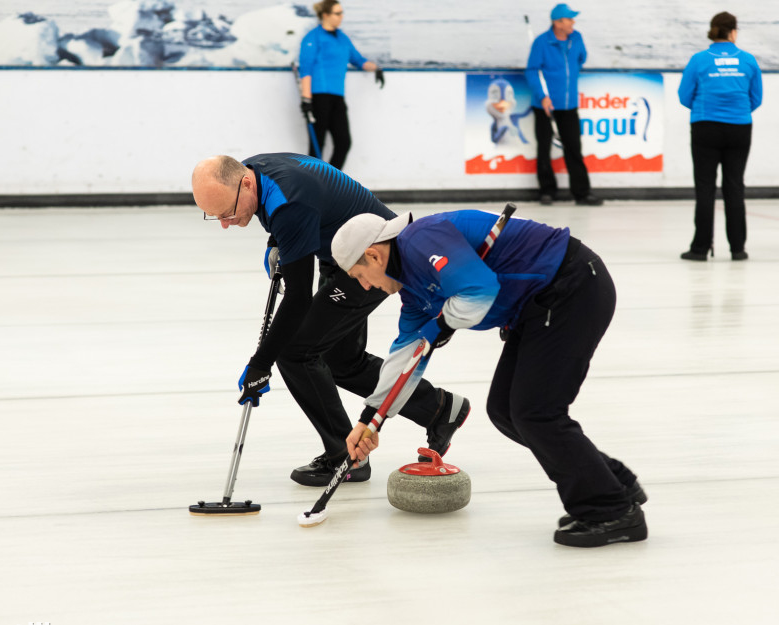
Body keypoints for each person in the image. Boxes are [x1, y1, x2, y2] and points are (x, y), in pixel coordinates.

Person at [330, 209, 648, 548]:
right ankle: (611, 482)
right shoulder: (414, 291)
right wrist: (370, 420)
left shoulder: (421, 239)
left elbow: (479, 290)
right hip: (536, 307)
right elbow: (405, 358)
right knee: (505, 411)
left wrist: (444, 323)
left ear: (374, 255)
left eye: (359, 275)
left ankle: (610, 511)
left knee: (536, 412)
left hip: (570, 285)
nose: (366, 286)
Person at [190, 153, 470, 486]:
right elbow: (291, 214)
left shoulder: (289, 202)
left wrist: (260, 364)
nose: (225, 223)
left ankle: (344, 457)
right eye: (216, 217)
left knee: (295, 353)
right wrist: (276, 242)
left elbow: (297, 299)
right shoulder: (252, 173)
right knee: (342, 361)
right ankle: (439, 408)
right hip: (342, 254)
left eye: (227, 212)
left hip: (373, 261)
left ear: (245, 183)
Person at [677, 11, 763, 261]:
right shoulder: (747, 60)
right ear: (733, 32)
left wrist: (705, 109)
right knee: (734, 186)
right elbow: (756, 98)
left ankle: (700, 248)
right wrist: (736, 111)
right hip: (739, 128)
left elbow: (684, 96)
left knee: (705, 187)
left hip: (705, 127)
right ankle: (738, 248)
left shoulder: (699, 60)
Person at [525, 3, 603, 206]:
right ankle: (547, 191)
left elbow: (581, 58)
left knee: (574, 148)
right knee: (544, 148)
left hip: (569, 105)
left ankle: (582, 193)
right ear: (557, 23)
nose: (573, 22)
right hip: (545, 105)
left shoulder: (576, 38)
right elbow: (532, 71)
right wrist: (542, 96)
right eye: (569, 19)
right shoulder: (541, 42)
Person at [298, 0, 384, 170]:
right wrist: (306, 99)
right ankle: (311, 182)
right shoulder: (313, 37)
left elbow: (358, 60)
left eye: (341, 13)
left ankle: (330, 180)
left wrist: (376, 68)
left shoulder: (342, 38)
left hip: (337, 97)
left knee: (343, 142)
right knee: (317, 146)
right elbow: (305, 69)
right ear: (325, 15)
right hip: (318, 97)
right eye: (337, 13)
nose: (341, 16)